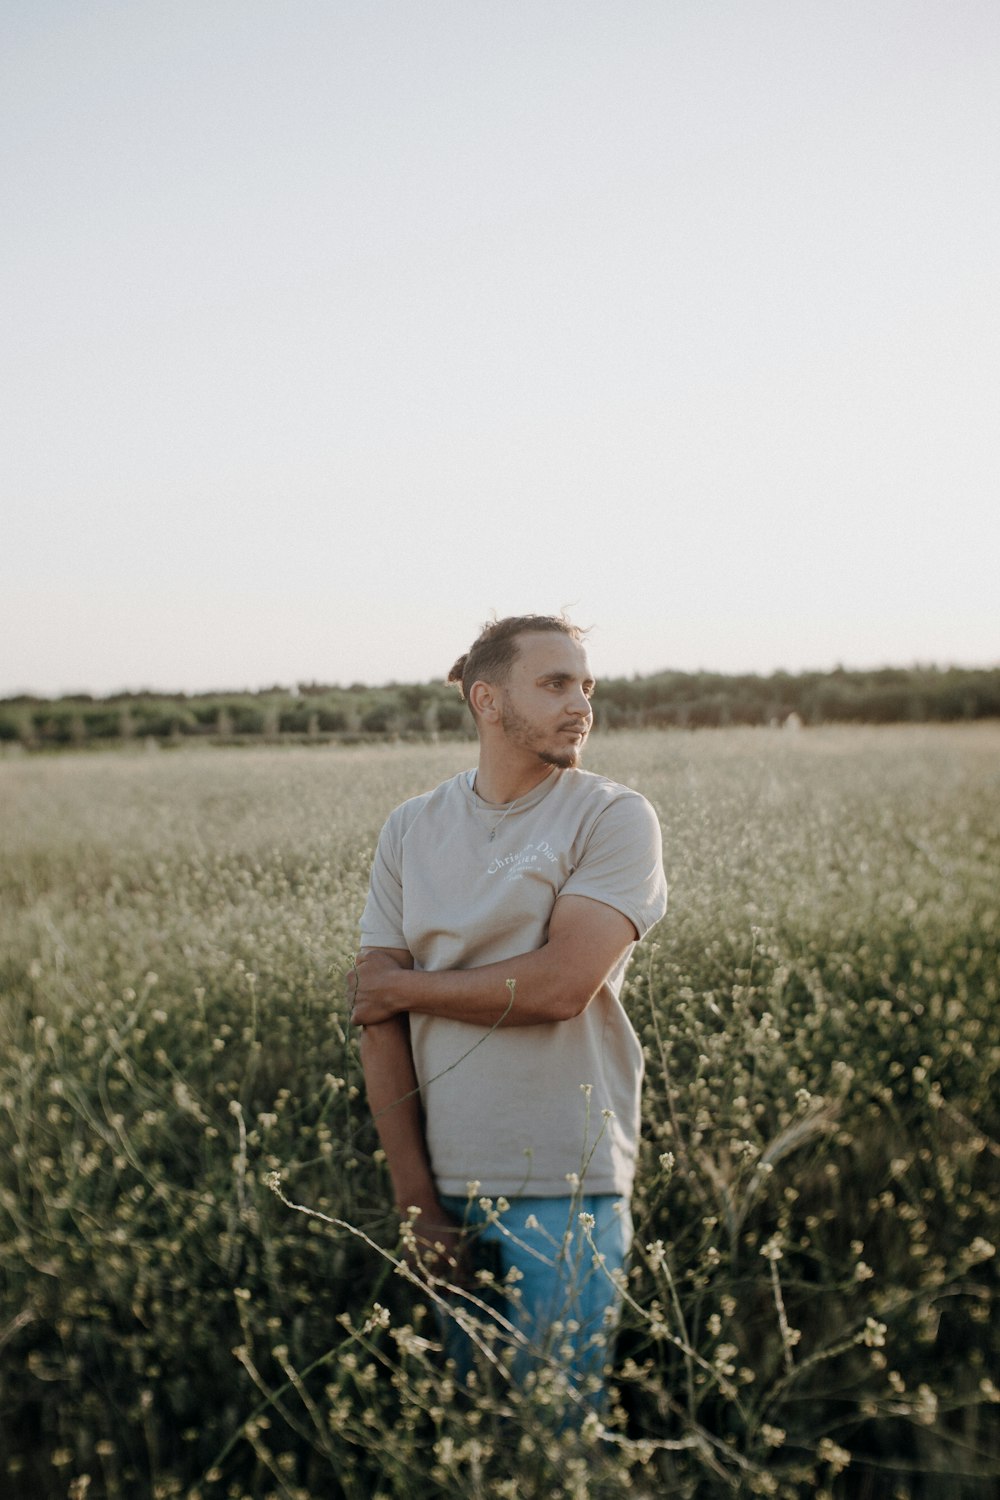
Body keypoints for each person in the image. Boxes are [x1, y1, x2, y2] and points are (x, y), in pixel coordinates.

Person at [349, 614, 667, 1417]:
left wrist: (412, 988)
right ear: (486, 700)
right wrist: (416, 1201)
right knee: (471, 1423)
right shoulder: (411, 827)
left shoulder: (612, 816)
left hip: (567, 1186)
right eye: (556, 684)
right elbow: (372, 1016)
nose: (582, 705)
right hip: (447, 1186)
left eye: (586, 686)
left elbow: (562, 986)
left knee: (558, 1431)